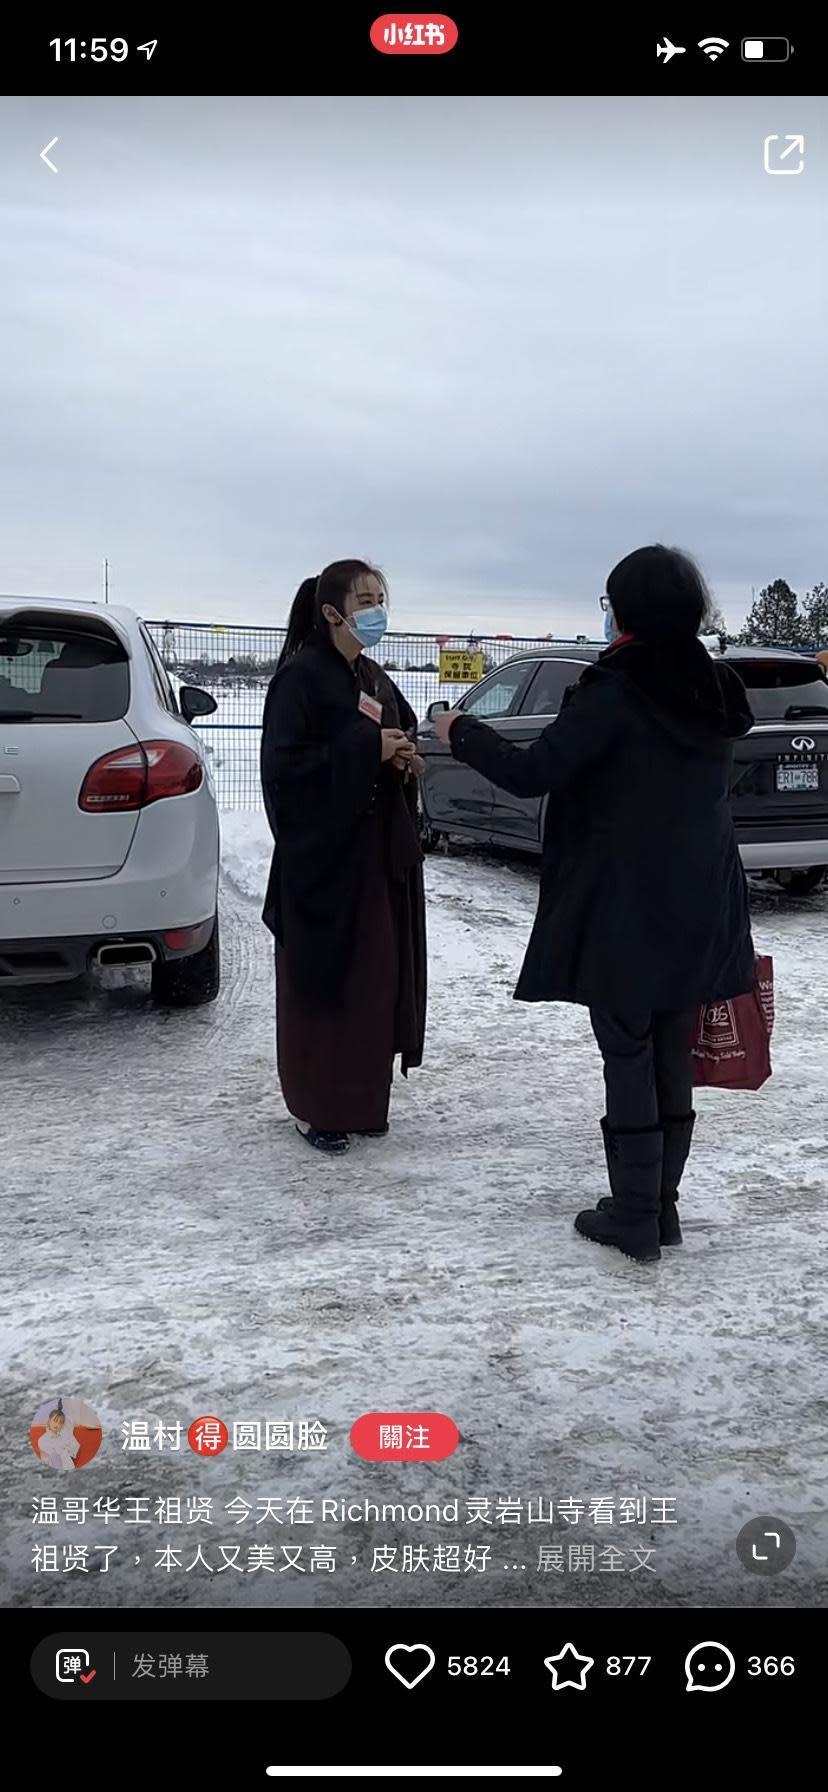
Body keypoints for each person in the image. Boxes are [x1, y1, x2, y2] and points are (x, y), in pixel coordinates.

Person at [434, 544, 756, 1263]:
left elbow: (532, 772)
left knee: (627, 1047)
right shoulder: (713, 687)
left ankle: (635, 1215)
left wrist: (463, 731)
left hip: (624, 896)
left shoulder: (614, 686)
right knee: (670, 1040)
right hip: (700, 891)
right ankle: (661, 1209)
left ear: (627, 609)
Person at [261, 562, 427, 1154]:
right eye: (365, 599)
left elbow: (399, 728)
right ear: (332, 610)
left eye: (382, 597)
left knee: (372, 983)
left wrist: (403, 752)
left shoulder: (370, 675)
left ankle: (360, 1102)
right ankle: (317, 1108)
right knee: (325, 987)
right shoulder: (300, 679)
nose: (377, 608)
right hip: (321, 865)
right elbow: (284, 772)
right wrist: (365, 747)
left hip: (374, 858)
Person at [38, 1400, 80, 1472]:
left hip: (67, 1466)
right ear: (49, 1421)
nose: (57, 1424)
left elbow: (74, 1446)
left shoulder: (65, 1436)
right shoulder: (42, 1440)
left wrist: (67, 1450)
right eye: (55, 1421)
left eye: (60, 1423)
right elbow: (45, 1458)